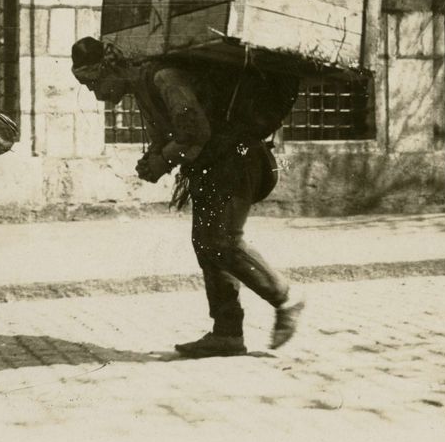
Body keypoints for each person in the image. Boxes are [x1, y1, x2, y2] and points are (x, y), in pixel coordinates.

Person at [70, 37, 305, 357]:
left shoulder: (161, 77)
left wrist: (162, 160)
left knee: (223, 242)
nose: (95, 93)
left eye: (93, 82)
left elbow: (195, 129)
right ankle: (227, 333)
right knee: (207, 244)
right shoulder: (142, 85)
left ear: (111, 68)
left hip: (235, 160)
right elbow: (170, 133)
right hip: (213, 166)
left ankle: (286, 299)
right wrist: (154, 158)